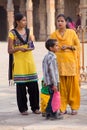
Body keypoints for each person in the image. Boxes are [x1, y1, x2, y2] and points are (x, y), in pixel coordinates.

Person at [8, 12, 40, 115]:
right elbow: (9, 50)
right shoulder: (12, 33)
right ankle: (23, 109)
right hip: (19, 63)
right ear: (17, 22)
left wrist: (30, 47)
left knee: (34, 86)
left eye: (25, 20)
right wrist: (19, 48)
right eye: (23, 20)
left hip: (29, 61)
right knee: (21, 88)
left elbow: (32, 45)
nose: (25, 22)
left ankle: (35, 107)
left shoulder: (28, 31)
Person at [50, 14, 81, 115]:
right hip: (59, 63)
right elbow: (49, 47)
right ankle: (62, 107)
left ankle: (74, 106)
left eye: (62, 21)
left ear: (66, 22)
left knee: (72, 86)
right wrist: (57, 48)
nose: (60, 23)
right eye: (58, 21)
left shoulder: (71, 33)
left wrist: (68, 47)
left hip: (70, 63)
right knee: (61, 86)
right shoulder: (53, 35)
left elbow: (78, 45)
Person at [42, 39, 63, 120]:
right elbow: (52, 71)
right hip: (53, 82)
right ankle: (53, 114)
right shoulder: (52, 57)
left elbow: (44, 70)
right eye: (56, 46)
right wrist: (54, 84)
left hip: (48, 81)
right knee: (54, 97)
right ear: (51, 48)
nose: (58, 47)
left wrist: (46, 81)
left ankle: (48, 112)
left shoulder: (46, 56)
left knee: (51, 97)